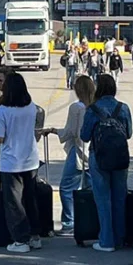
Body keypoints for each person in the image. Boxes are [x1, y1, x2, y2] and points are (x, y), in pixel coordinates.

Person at [80, 75, 133, 252]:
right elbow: (129, 133)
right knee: (120, 197)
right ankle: (120, 237)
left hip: (99, 156)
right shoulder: (123, 108)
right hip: (120, 156)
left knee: (103, 199)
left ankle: (106, 240)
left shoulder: (92, 109)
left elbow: (84, 136)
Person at [0, 73, 42, 253]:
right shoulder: (31, 107)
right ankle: (35, 236)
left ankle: (20, 240)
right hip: (30, 158)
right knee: (30, 199)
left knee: (14, 201)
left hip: (12, 161)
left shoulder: (3, 111)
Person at [41, 75, 95, 235]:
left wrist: (54, 131)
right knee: (90, 188)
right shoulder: (94, 107)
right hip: (93, 152)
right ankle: (90, 220)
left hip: (78, 151)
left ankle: (69, 222)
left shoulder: (76, 108)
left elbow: (71, 131)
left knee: (66, 187)